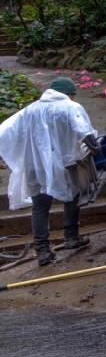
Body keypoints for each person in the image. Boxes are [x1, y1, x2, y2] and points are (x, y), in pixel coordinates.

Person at [0, 77, 97, 266]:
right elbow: (85, 132)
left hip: (35, 166)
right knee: (72, 197)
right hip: (65, 164)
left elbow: (5, 131)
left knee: (40, 206)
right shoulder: (71, 107)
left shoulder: (30, 110)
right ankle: (71, 237)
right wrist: (95, 149)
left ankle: (42, 250)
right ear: (70, 94)